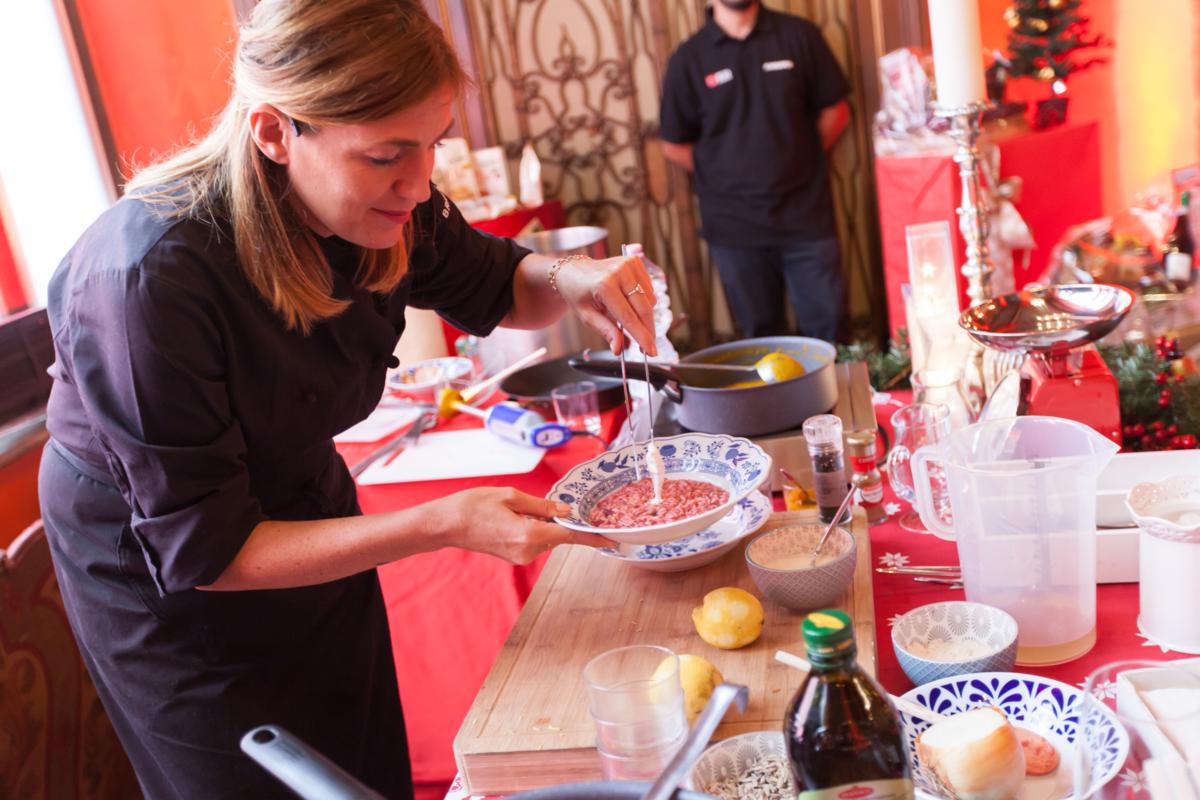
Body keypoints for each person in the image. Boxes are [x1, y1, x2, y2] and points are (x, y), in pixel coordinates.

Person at [38, 1, 658, 797]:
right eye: (386, 157)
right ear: (273, 131)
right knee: (262, 778)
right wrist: (439, 522)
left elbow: (503, 286)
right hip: (171, 582)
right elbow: (210, 551)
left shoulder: (388, 202)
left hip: (305, 511)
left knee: (357, 765)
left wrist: (575, 281)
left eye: (431, 146)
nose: (418, 181)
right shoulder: (147, 278)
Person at [659, 0, 851, 342]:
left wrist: (796, 158)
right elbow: (673, 143)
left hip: (806, 216)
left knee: (830, 332)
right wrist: (723, 173)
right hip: (735, 228)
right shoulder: (688, 58)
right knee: (762, 340)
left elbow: (835, 110)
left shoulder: (799, 36)